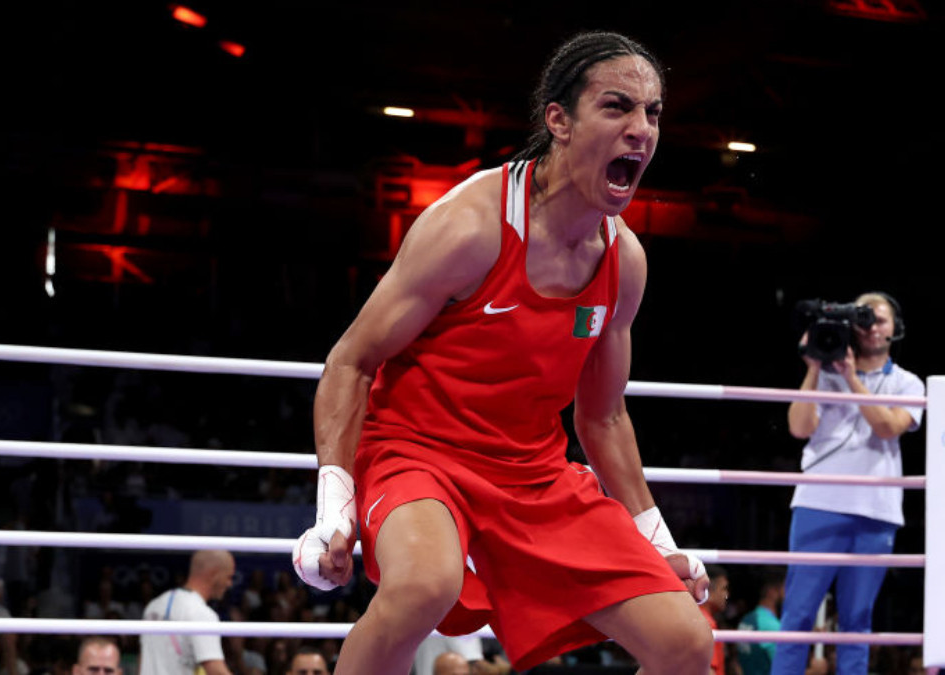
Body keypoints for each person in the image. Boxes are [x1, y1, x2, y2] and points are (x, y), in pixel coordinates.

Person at [291, 30, 712, 675]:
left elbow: (602, 418)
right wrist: (334, 511)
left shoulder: (624, 261)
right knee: (423, 585)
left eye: (652, 113)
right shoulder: (469, 226)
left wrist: (658, 538)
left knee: (685, 641)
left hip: (534, 476)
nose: (641, 129)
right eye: (617, 107)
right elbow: (351, 360)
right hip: (417, 454)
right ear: (558, 121)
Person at [772, 292, 925, 675]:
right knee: (798, 613)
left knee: (858, 620)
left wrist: (852, 379)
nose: (873, 326)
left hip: (876, 510)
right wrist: (813, 368)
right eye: (864, 318)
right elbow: (798, 427)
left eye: (881, 319)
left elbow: (888, 428)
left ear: (896, 328)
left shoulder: (910, 384)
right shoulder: (822, 376)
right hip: (818, 504)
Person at [139, 550, 236, 675]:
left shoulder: (154, 605)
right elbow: (215, 670)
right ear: (214, 573)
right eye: (229, 577)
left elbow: (142, 662)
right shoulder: (202, 614)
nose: (230, 583)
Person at [736, 568, 785, 675]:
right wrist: (814, 672)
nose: (787, 595)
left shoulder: (746, 620)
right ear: (772, 591)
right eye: (784, 589)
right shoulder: (772, 626)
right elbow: (785, 670)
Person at [699, 566, 729, 675]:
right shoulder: (706, 623)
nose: (726, 595)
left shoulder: (695, 616)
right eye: (724, 589)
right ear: (709, 591)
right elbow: (708, 670)